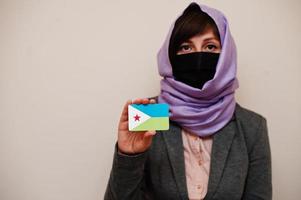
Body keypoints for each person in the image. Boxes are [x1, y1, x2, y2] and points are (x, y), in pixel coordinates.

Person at [104, 2, 272, 200]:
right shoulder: (150, 113)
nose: (198, 56)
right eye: (185, 47)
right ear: (171, 55)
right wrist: (128, 156)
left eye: (210, 46)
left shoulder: (252, 127)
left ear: (226, 55)